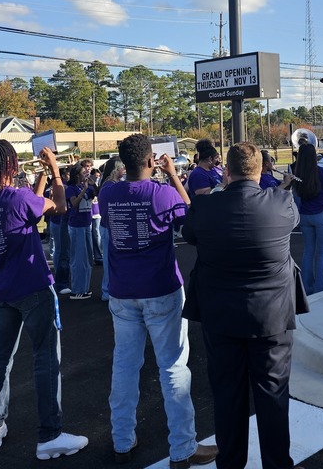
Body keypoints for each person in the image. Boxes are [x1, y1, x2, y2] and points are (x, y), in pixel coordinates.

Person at [100, 134, 216, 469]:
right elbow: (193, 217)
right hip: (161, 288)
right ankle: (182, 448)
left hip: (122, 293)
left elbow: (109, 192)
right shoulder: (163, 192)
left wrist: (124, 173)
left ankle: (122, 440)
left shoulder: (108, 194)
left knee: (124, 366)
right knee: (173, 366)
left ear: (124, 163)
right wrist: (174, 176)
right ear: (151, 160)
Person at [183, 142, 300, 469]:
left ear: (226, 171)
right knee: (274, 395)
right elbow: (290, 220)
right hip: (272, 317)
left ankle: (230, 463)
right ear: (261, 171)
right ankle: (278, 464)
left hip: (221, 318)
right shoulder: (282, 202)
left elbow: (188, 233)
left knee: (227, 396)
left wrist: (220, 189)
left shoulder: (205, 207)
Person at [0, 141, 89, 460]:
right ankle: (50, 435)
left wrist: (39, 177)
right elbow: (59, 207)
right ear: (10, 166)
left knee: (1, 357)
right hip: (33, 285)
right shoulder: (17, 197)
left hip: (3, 288)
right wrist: (54, 170)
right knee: (46, 357)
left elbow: (31, 205)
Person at [282, 143, 323, 295]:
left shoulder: (297, 173)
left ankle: (307, 287)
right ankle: (322, 287)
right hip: (322, 215)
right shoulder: (321, 171)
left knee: (308, 251)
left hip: (305, 216)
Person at [66, 163, 98, 299]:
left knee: (87, 258)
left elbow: (98, 193)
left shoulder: (83, 186)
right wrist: (84, 190)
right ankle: (77, 290)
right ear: (77, 174)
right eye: (82, 172)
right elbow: (73, 204)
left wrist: (93, 184)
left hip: (86, 224)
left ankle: (84, 288)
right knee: (78, 259)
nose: (85, 173)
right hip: (76, 225)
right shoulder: (71, 188)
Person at [97, 157, 126, 301]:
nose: (124, 170)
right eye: (122, 167)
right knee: (109, 260)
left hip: (113, 227)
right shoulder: (108, 185)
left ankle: (111, 289)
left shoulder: (114, 184)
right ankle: (106, 291)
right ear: (116, 168)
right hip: (108, 227)